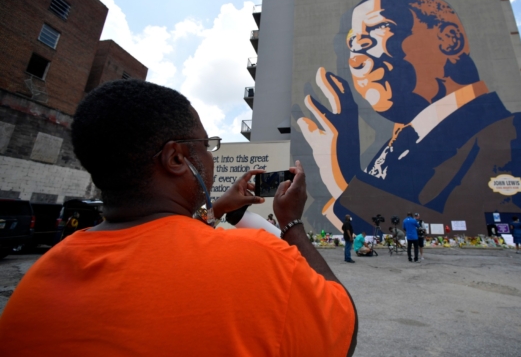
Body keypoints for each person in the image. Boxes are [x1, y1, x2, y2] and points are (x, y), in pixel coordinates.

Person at [0, 80, 358, 356]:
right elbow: (342, 327)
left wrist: (216, 209)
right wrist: (291, 222)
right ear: (177, 159)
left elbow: (157, 243)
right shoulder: (259, 257)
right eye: (207, 145)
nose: (211, 157)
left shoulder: (34, 287)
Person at [297, 0, 521, 237]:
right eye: (353, 43)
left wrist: (343, 177)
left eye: (377, 30)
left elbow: (457, 228)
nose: (356, 58)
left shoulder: (514, 134)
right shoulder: (400, 141)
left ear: (449, 40)